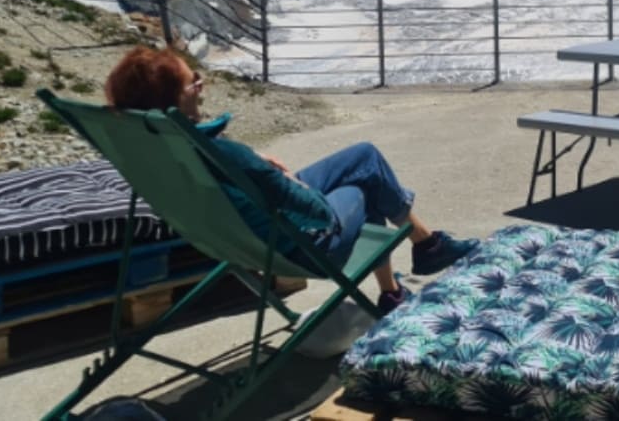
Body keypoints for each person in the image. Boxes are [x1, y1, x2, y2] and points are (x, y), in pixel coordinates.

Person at [103, 46, 477, 312]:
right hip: (300, 241)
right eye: (192, 82)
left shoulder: (161, 149)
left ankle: (415, 263)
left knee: (364, 155)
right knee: (367, 184)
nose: (202, 86)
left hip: (241, 236)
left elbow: (231, 177)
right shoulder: (220, 152)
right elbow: (318, 215)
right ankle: (420, 257)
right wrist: (281, 179)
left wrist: (254, 165)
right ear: (168, 102)